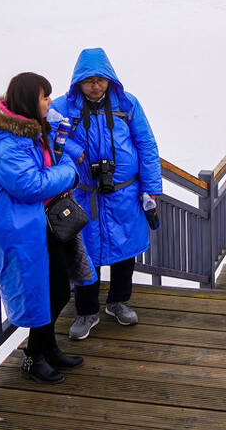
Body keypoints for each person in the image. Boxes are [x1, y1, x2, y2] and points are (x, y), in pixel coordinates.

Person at [0, 72, 86, 383]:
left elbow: (46, 164)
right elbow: (30, 185)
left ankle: (48, 348)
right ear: (29, 101)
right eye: (44, 97)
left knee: (56, 289)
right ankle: (33, 356)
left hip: (41, 225)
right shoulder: (7, 146)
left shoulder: (29, 134)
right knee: (47, 293)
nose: (49, 102)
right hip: (21, 231)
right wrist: (69, 171)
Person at [54, 49, 162, 341]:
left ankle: (118, 302)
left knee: (124, 251)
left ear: (110, 79)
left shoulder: (127, 104)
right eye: (88, 81)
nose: (95, 86)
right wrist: (76, 152)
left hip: (124, 193)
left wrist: (150, 187)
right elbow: (49, 140)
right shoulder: (63, 106)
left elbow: (146, 145)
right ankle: (86, 311)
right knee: (84, 253)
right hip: (83, 195)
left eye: (100, 80)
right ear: (78, 82)